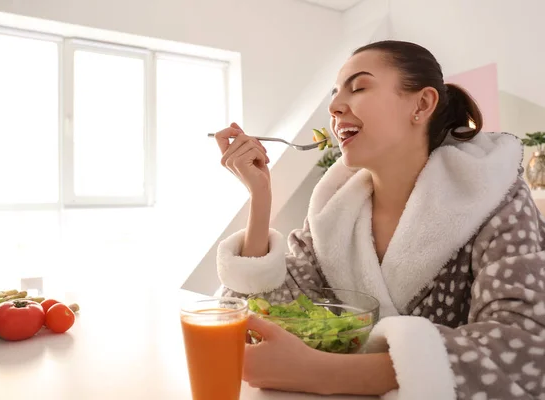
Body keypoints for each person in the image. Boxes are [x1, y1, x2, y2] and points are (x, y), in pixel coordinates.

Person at [213, 40, 545, 400]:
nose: (335, 107)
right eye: (334, 95)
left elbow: (525, 349)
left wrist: (322, 373)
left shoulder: (495, 198)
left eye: (358, 88)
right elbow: (262, 311)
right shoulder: (335, 213)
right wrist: (260, 198)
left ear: (421, 104)